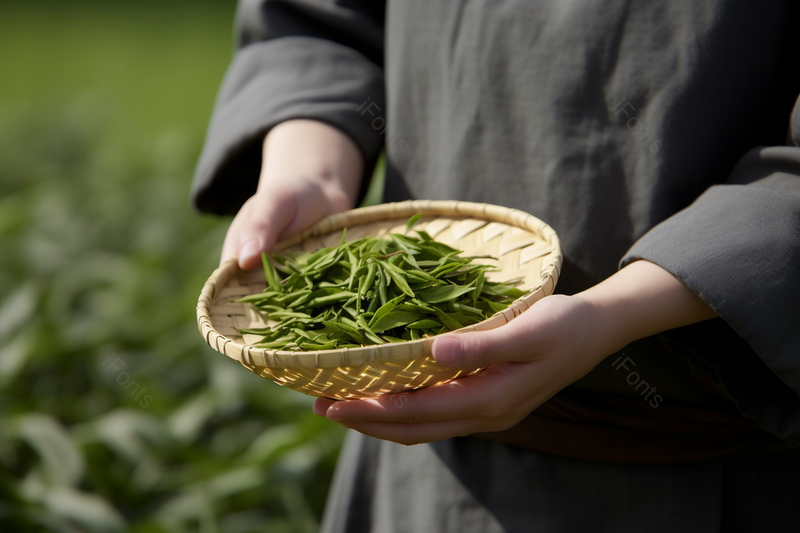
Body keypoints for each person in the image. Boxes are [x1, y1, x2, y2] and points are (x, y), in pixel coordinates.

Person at [192, 1, 800, 530]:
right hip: (426, 468)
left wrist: (611, 315)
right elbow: (320, 21)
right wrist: (309, 175)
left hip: (715, 476)